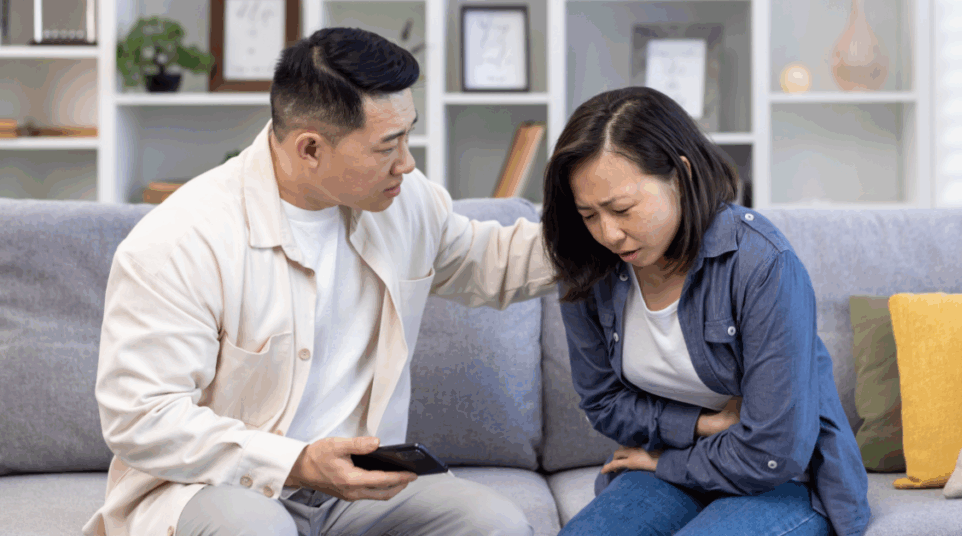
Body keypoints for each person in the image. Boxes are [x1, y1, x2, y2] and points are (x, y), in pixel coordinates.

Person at [84, 27, 555, 536]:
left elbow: (491, 262)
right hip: (214, 488)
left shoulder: (405, 199)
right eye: (388, 146)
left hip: (357, 491)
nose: (408, 163)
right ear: (310, 149)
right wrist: (298, 462)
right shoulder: (180, 240)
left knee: (494, 524)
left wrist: (614, 226)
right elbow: (143, 417)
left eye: (409, 134)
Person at [540, 86, 871, 536]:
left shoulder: (761, 263)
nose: (609, 234)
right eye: (589, 214)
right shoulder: (588, 266)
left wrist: (668, 460)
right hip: (664, 467)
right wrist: (703, 424)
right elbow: (602, 402)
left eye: (622, 209)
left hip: (782, 482)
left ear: (681, 175)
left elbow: (775, 448)